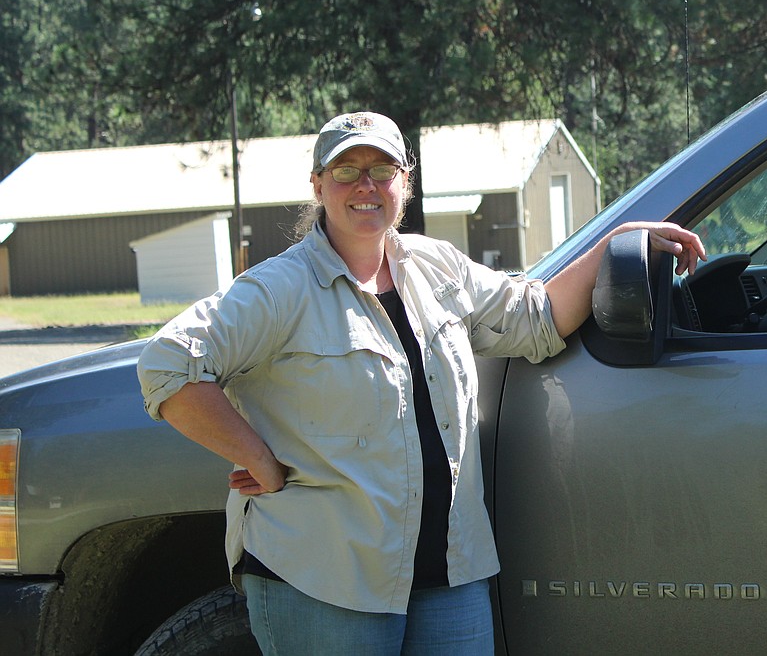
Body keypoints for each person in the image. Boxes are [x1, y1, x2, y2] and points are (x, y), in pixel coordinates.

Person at [137, 111, 705, 655]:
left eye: (381, 170)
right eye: (345, 170)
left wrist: (621, 241)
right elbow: (168, 364)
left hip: (448, 577)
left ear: (403, 183)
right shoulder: (280, 289)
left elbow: (536, 319)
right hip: (328, 582)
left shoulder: (438, 268)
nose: (366, 185)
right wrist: (257, 458)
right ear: (317, 185)